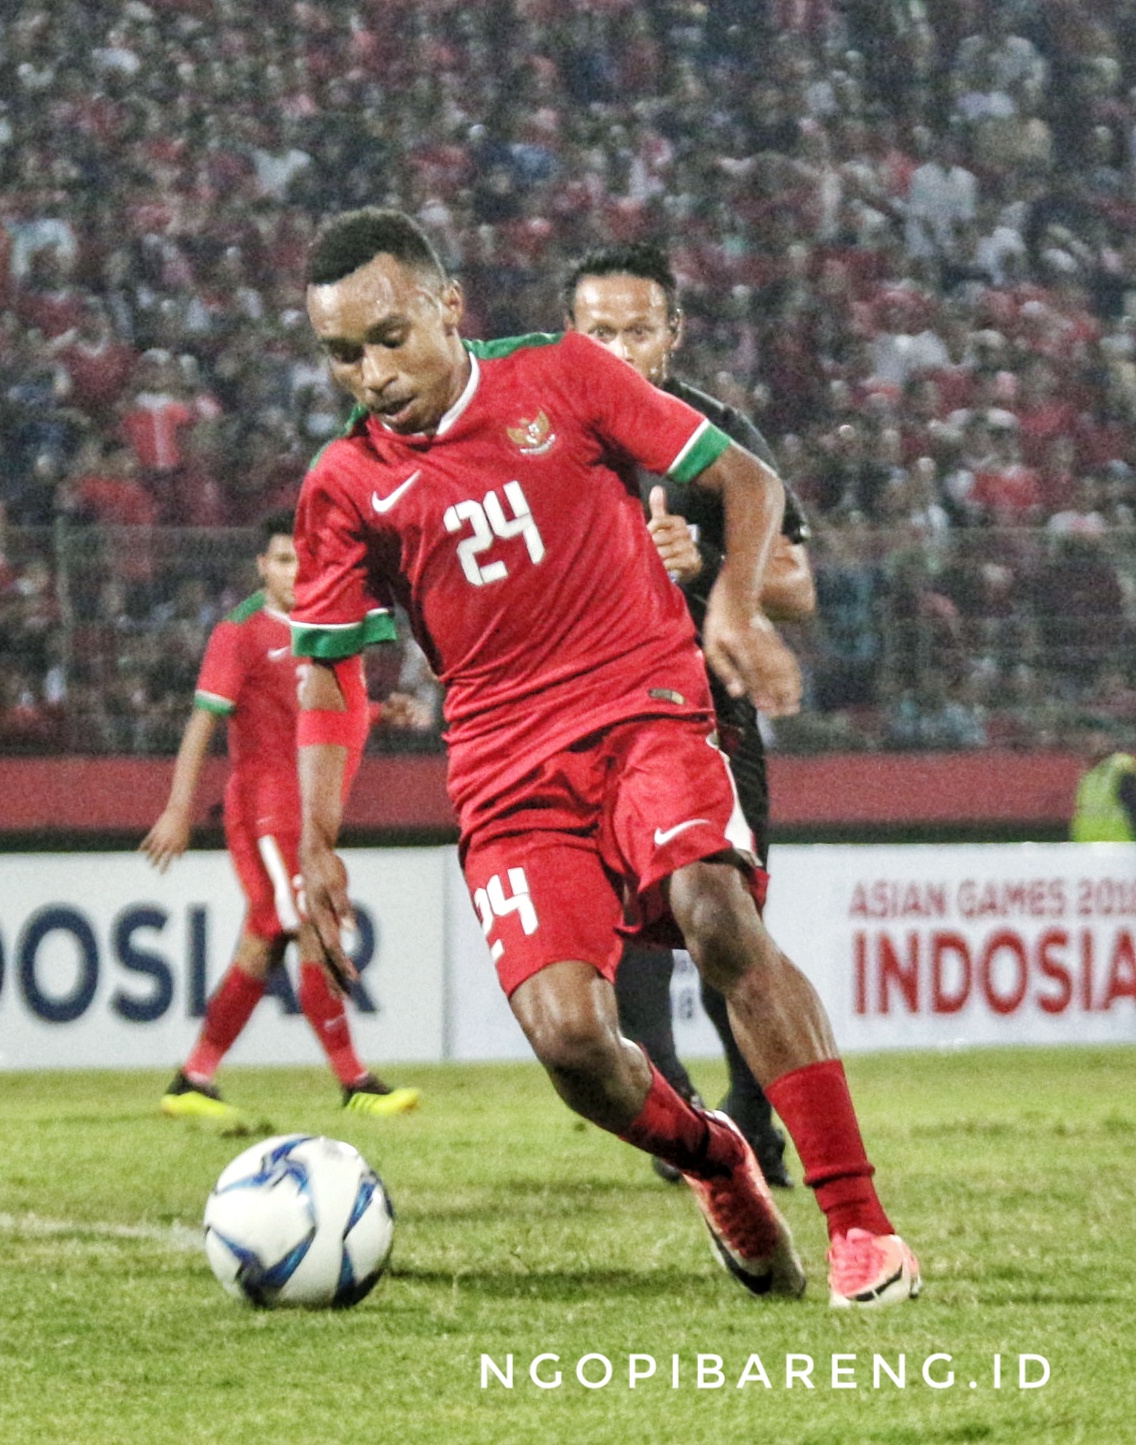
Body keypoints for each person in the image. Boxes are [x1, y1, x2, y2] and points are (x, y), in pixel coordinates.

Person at [290, 208, 918, 1308]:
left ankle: (860, 1224)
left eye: (388, 336)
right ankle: (717, 1160)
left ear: (448, 306)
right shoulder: (344, 484)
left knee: (715, 910)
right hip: (501, 771)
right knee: (574, 1041)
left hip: (645, 709)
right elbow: (332, 671)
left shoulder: (560, 375)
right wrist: (316, 841)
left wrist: (729, 606)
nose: (370, 371)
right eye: (343, 352)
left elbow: (748, 484)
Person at [564, 242, 816, 1190]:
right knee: (621, 932)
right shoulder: (540, 437)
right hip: (584, 718)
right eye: (599, 331)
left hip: (710, 719)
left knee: (724, 928)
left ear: (672, 336)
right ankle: (679, 1125)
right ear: (569, 336)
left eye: (637, 329)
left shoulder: (718, 436)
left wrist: (707, 566)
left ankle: (758, 1121)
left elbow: (798, 587)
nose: (619, 349)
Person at [141, 511, 419, 1124]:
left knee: (264, 940)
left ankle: (193, 1079)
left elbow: (314, 711)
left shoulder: (324, 629)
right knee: (312, 930)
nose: (295, 573)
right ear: (263, 567)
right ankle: (355, 1081)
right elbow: (202, 723)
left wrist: (375, 711)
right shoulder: (240, 632)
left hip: (309, 813)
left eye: (304, 560)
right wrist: (179, 809)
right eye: (284, 561)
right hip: (267, 813)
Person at [1069, 719, 1136, 841]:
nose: (1087, 741)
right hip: (1088, 849)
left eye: (1093, 736)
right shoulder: (1089, 774)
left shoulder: (1122, 768)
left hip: (1118, 848)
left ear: (1110, 740)